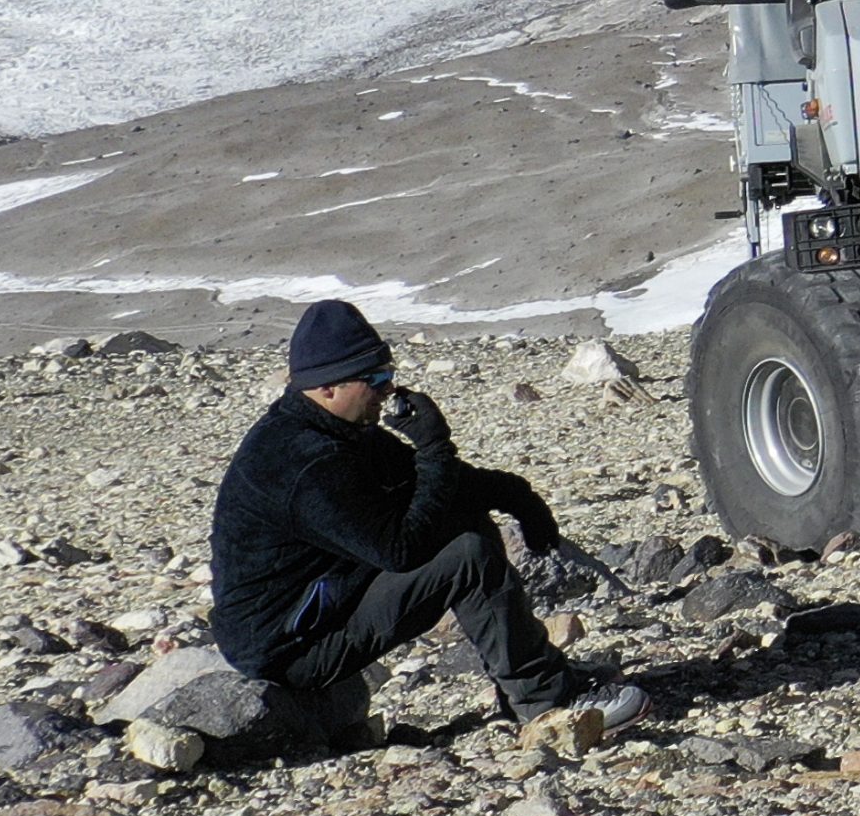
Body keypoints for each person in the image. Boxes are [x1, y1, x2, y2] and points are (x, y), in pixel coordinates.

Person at [209, 301, 644, 744]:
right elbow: (401, 550)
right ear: (328, 388)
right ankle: (548, 701)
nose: (387, 390)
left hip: (323, 602)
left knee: (463, 519)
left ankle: (531, 681)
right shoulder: (304, 464)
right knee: (467, 556)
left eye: (388, 374)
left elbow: (434, 486)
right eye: (374, 379)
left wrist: (517, 496)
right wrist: (434, 448)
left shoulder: (338, 431)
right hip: (292, 645)